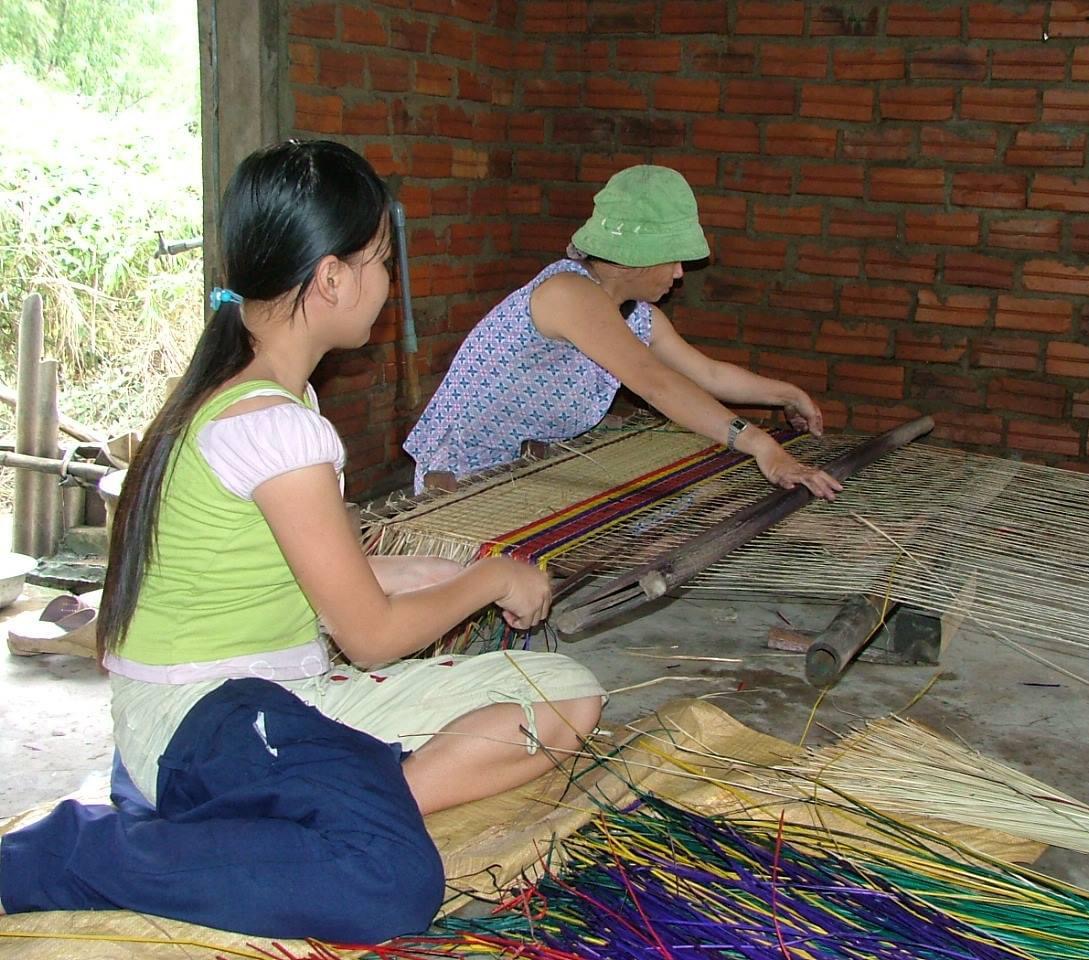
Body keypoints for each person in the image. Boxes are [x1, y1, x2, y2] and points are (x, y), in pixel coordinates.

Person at [0, 140, 604, 942]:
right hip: (205, 717)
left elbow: (313, 568)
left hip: (271, 695)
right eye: (382, 262)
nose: (389, 284)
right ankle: (67, 852)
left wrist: (432, 566)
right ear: (330, 278)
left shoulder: (268, 395)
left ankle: (301, 799)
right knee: (391, 880)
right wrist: (489, 579)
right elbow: (371, 635)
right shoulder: (274, 424)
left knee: (567, 696)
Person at [403, 164, 842, 500]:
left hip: (522, 474)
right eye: (672, 258)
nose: (679, 274)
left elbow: (706, 374)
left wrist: (787, 394)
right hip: (463, 482)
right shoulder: (567, 294)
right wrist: (762, 447)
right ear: (635, 257)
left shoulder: (636, 316)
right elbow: (656, 384)